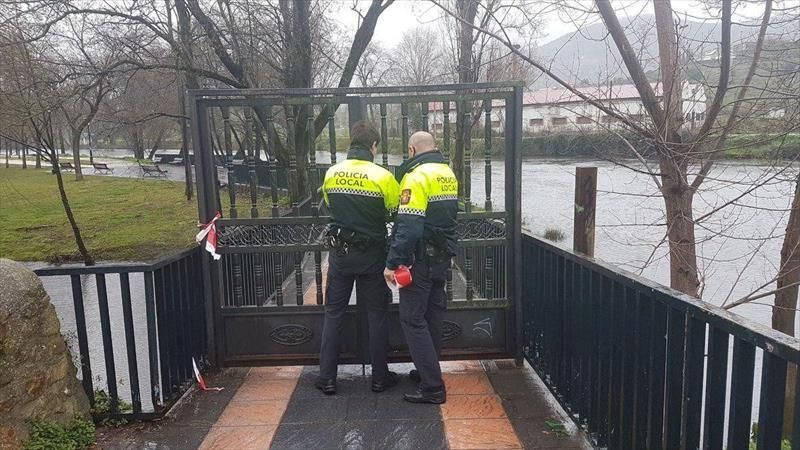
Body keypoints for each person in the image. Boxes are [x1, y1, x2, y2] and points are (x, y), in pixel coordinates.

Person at [316, 121, 400, 395]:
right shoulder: (383, 176)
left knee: (333, 314)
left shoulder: (332, 173)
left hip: (341, 255)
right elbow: (393, 214)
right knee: (376, 315)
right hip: (373, 256)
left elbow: (329, 205)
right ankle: (379, 377)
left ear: (352, 142)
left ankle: (327, 377)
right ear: (373, 146)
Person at [384, 131, 458, 404]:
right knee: (433, 316)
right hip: (441, 258)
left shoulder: (415, 177)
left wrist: (393, 263)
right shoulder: (447, 174)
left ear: (412, 149)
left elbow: (409, 227)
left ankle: (432, 386)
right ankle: (428, 370)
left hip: (420, 260)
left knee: (412, 319)